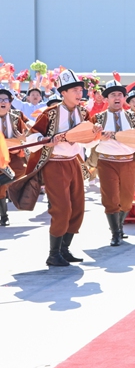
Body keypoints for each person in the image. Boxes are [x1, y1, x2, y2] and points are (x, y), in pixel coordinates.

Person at [13, 70, 99, 266]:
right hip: (54, 164)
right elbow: (31, 139)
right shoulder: (50, 113)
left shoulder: (84, 112)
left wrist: (95, 136)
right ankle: (53, 254)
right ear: (64, 92)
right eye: (75, 90)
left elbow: (88, 141)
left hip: (74, 162)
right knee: (62, 208)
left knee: (78, 207)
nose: (80, 93)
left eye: (80, 90)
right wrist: (46, 141)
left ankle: (64, 249)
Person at [93, 81, 135, 246]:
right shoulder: (99, 118)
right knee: (110, 198)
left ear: (125, 98)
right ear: (107, 99)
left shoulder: (132, 116)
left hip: (128, 161)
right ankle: (116, 233)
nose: (117, 97)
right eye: (113, 95)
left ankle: (119, 227)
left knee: (127, 199)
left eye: (120, 94)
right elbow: (88, 140)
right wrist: (98, 137)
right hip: (107, 161)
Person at [0, 87, 30, 226]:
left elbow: (30, 130)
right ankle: (4, 217)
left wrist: (25, 137)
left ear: (10, 103)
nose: (2, 102)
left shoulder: (16, 117)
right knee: (1, 189)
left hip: (15, 156)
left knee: (22, 170)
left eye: (5, 99)